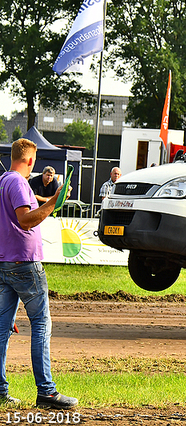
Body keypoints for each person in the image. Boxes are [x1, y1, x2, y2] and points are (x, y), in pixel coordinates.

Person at [0, 138, 77, 409]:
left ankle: (0, 390)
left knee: (2, 328)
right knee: (41, 325)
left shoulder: (2, 181)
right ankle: (46, 391)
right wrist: (53, 203)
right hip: (24, 263)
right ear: (30, 160)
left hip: (5, 262)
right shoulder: (19, 182)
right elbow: (25, 219)